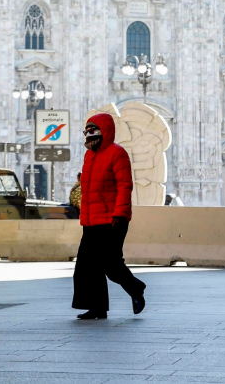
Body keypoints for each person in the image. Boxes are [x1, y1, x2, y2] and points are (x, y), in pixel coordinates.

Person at [72, 113, 146, 320]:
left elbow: (125, 185)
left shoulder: (117, 153)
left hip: (112, 219)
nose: (89, 135)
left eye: (93, 131)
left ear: (105, 131)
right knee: (86, 266)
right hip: (91, 220)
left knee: (110, 264)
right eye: (86, 131)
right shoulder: (89, 156)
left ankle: (135, 288)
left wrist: (120, 214)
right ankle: (97, 307)